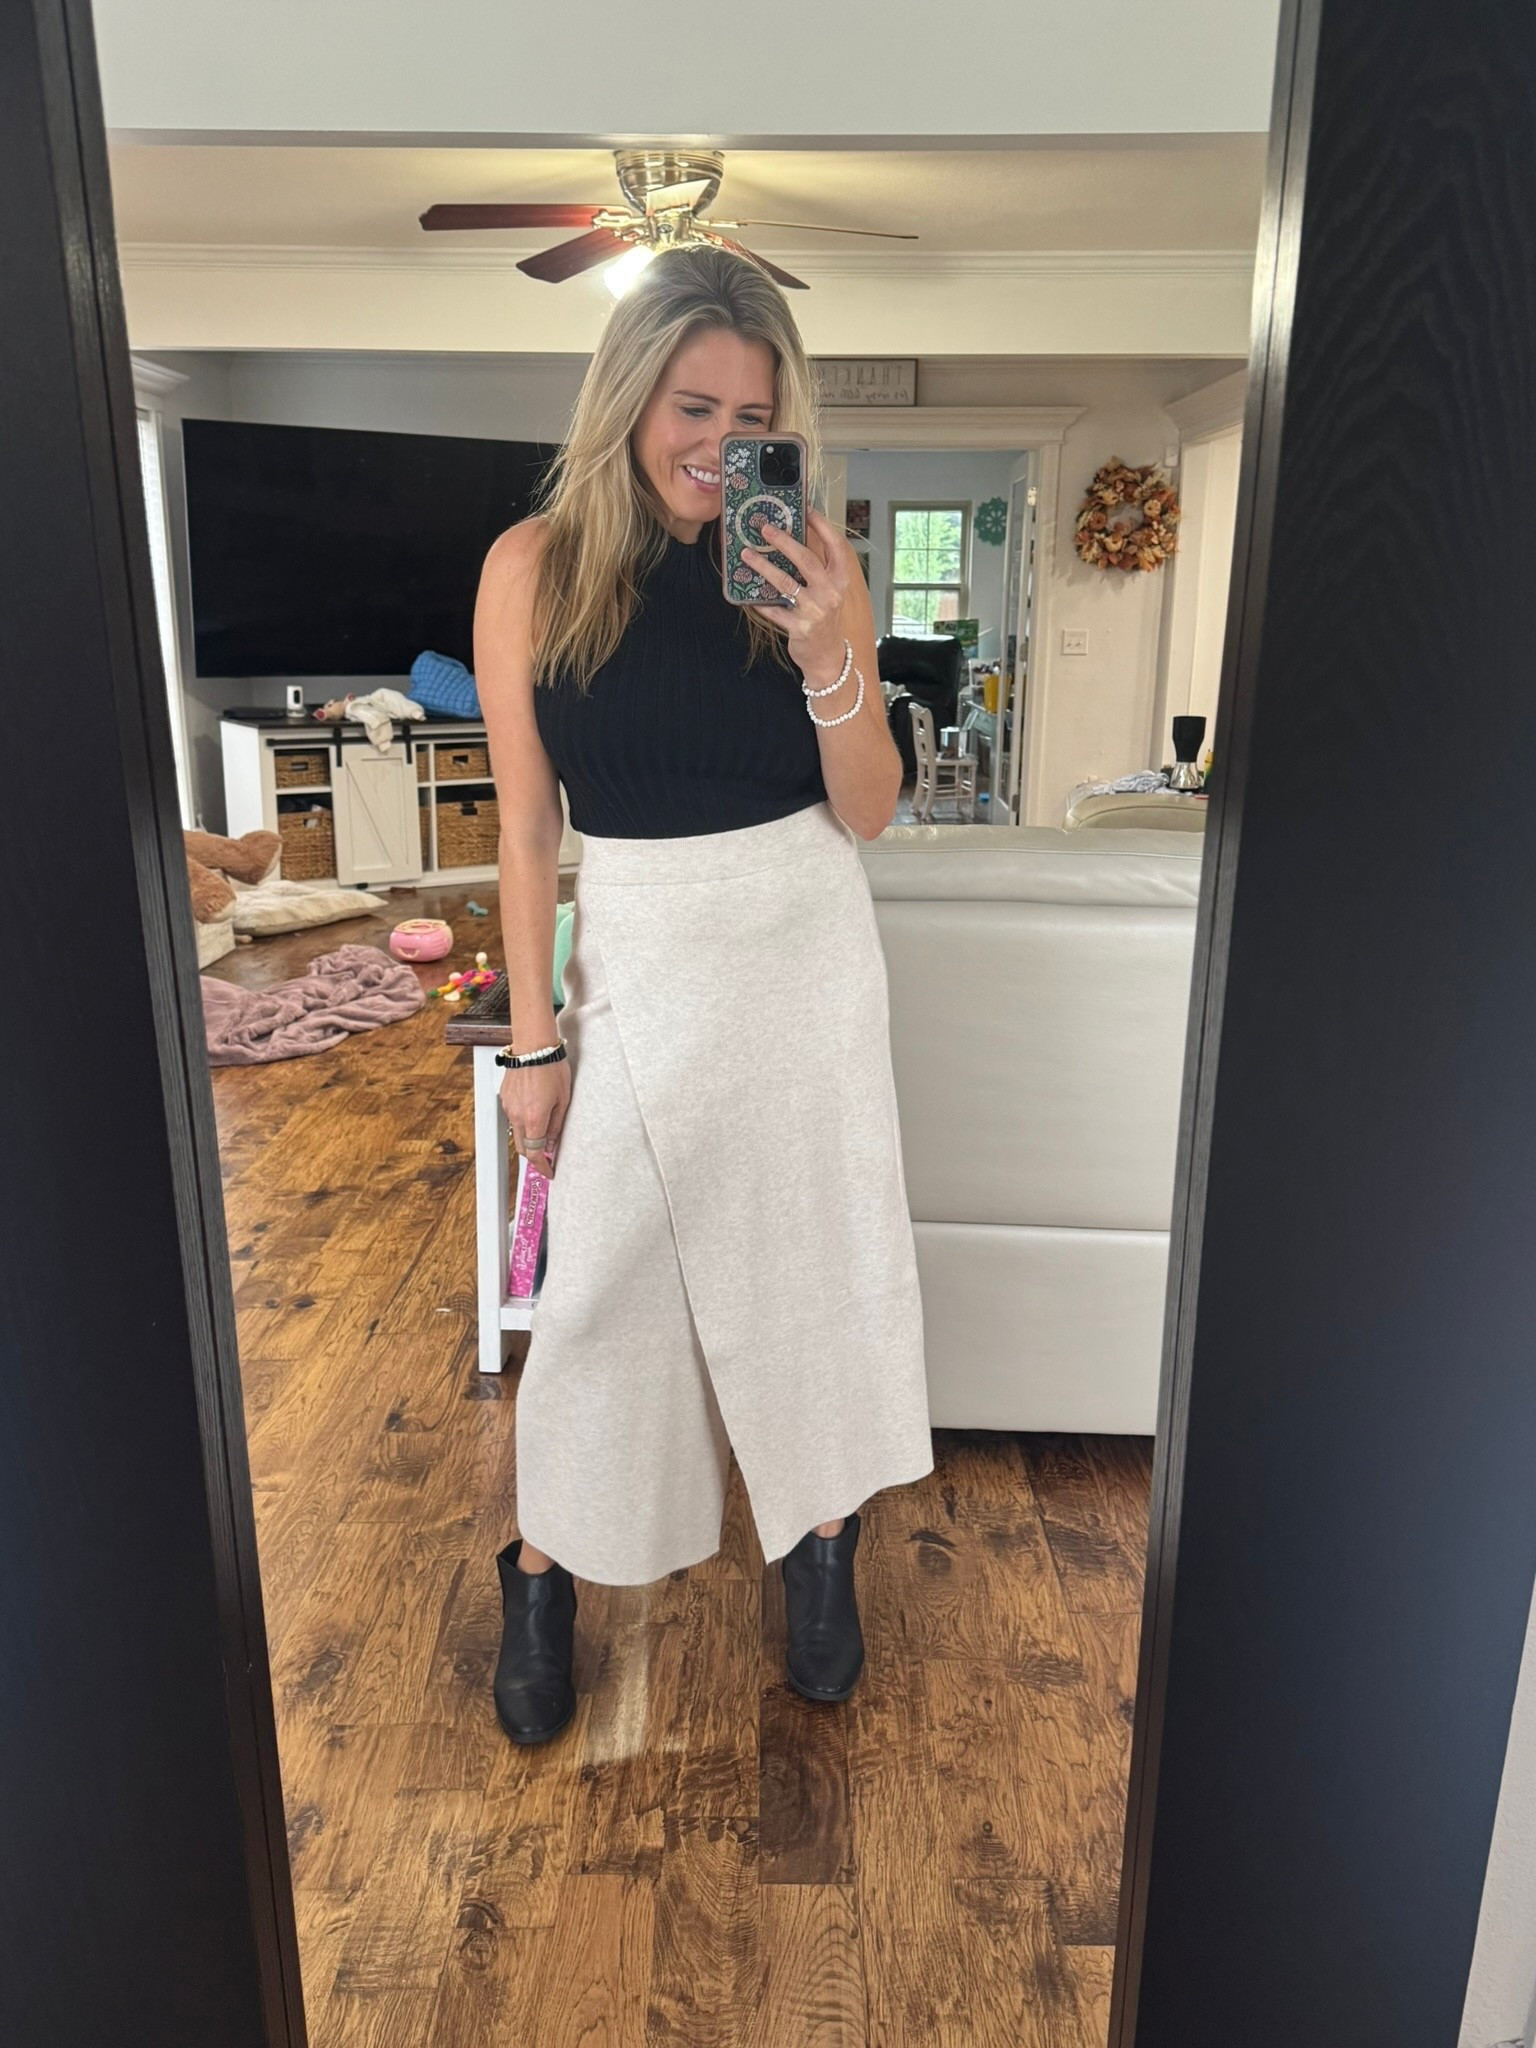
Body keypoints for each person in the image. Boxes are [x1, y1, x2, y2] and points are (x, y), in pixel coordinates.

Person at [474, 245, 934, 1746]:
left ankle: (821, 1543)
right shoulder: (531, 567)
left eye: (752, 416)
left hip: (804, 947)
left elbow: (869, 809)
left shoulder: (813, 559)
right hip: (637, 953)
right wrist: (531, 1041)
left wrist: (827, 651)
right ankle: (542, 1569)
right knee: (604, 1287)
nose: (718, 443)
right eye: (692, 406)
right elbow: (526, 829)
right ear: (626, 398)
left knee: (813, 1262)